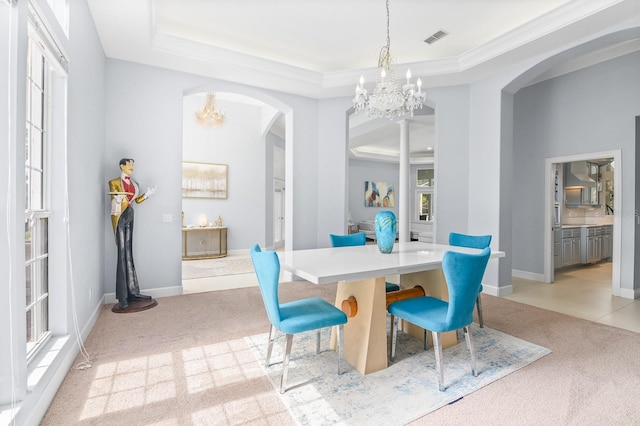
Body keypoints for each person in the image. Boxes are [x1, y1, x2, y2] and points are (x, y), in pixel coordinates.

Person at [108, 158, 156, 309]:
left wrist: (147, 194)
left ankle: (133, 291)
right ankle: (122, 296)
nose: (132, 167)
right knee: (121, 253)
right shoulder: (114, 182)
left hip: (130, 214)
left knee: (129, 253)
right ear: (121, 166)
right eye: (129, 165)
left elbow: (136, 201)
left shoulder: (135, 184)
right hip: (120, 216)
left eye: (133, 165)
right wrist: (117, 198)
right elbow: (115, 199)